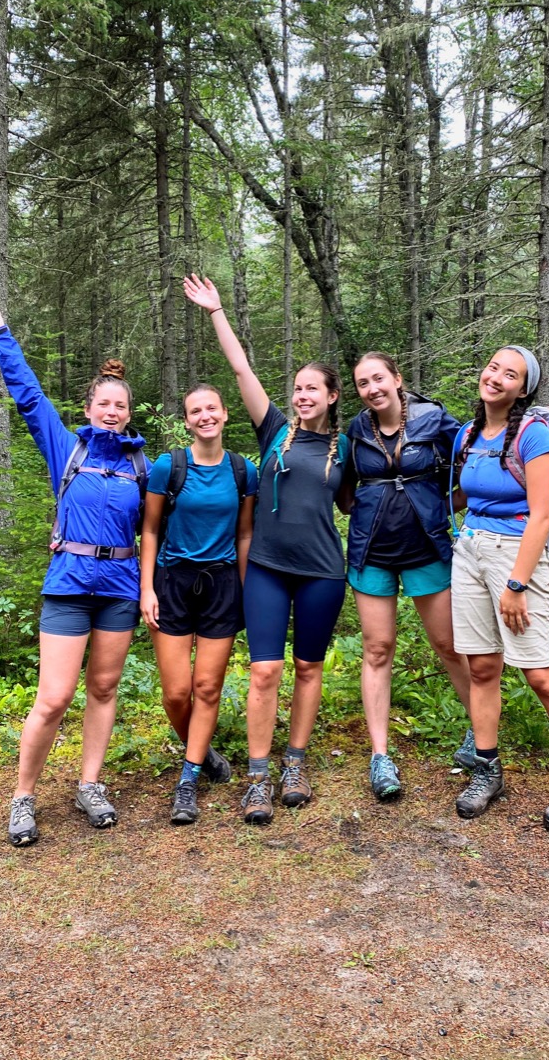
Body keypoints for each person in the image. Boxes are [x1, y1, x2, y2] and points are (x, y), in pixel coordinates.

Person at [0, 293, 150, 847]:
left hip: (118, 590)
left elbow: (162, 528)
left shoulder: (142, 466)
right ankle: (23, 796)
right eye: (104, 405)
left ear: (128, 412)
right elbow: (28, 395)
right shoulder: (66, 448)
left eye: (120, 406)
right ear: (89, 408)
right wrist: (0, 331)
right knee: (54, 697)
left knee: (105, 686)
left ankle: (90, 784)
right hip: (68, 586)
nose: (112, 412)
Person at [184, 274, 348, 825]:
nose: (302, 395)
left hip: (324, 570)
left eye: (312, 389)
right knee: (263, 671)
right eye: (297, 388)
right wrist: (215, 312)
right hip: (268, 570)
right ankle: (258, 775)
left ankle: (294, 763)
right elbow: (241, 370)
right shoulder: (275, 431)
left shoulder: (347, 446)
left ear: (331, 397)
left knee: (307, 666)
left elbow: (368, 493)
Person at [451, 345, 549, 829]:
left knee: (540, 674)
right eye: (493, 367)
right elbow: (463, 496)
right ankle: (487, 769)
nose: (495, 377)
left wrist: (516, 583)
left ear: (523, 388)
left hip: (518, 560)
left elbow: (541, 515)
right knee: (481, 669)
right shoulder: (468, 434)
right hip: (470, 551)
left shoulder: (535, 436)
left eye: (509, 374)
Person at [341, 352, 473, 801]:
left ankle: (482, 735)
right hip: (372, 551)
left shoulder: (435, 420)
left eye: (379, 378)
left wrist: (446, 507)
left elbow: (473, 466)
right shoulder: (356, 431)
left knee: (449, 646)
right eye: (363, 383)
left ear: (397, 379)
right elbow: (342, 489)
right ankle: (380, 756)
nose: (372, 388)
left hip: (427, 548)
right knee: (377, 649)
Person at [139, 383, 258, 825]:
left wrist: (247, 591)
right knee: (175, 692)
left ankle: (188, 780)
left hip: (223, 583)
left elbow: (244, 534)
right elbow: (149, 530)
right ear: (187, 421)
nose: (205, 416)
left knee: (207, 688)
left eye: (212, 408)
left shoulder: (244, 470)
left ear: (225, 414)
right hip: (172, 581)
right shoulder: (168, 467)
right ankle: (203, 751)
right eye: (195, 411)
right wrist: (146, 588)